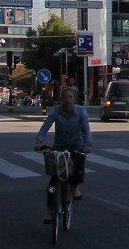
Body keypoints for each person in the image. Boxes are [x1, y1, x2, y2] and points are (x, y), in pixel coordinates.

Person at [34, 87, 92, 224]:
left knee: (78, 163)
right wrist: (39, 140)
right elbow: (45, 126)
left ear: (75, 99)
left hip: (76, 144)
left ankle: (75, 187)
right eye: (65, 97)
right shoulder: (56, 112)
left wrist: (87, 145)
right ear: (61, 100)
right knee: (54, 179)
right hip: (59, 145)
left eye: (70, 97)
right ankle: (50, 210)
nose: (68, 99)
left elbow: (86, 130)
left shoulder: (81, 112)